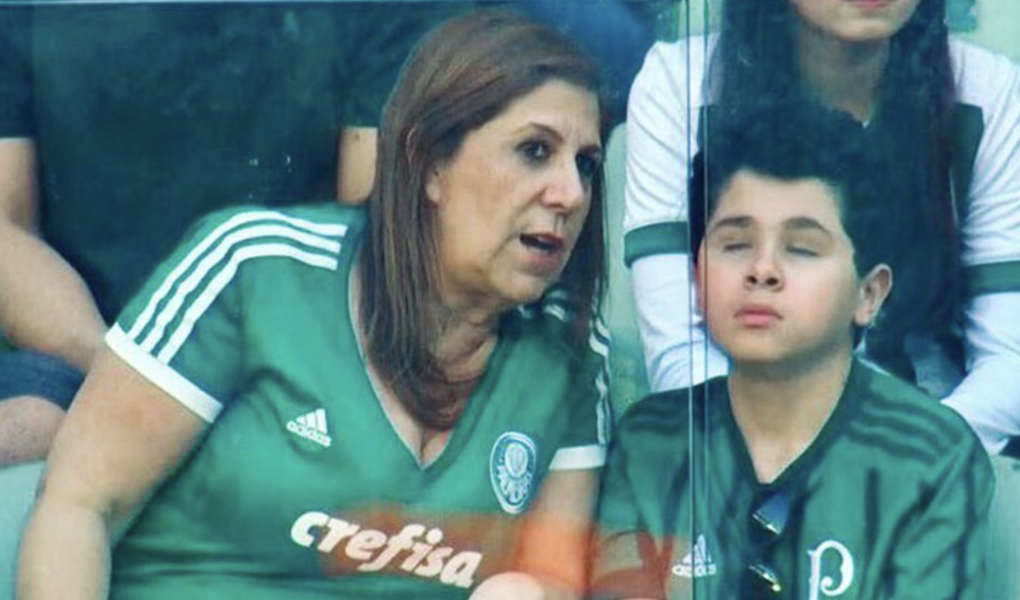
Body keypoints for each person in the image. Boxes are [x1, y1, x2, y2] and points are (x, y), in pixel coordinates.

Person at [18, 10, 611, 600]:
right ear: (428, 162)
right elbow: (79, 506)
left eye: (586, 164)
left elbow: (552, 579)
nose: (570, 193)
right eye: (535, 151)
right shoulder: (253, 270)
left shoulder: (569, 351)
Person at [0, 2, 446, 466]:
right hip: (88, 352)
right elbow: (5, 229)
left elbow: (378, 230)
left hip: (302, 358)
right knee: (25, 426)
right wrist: (137, 382)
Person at [591, 108, 993, 600]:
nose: (762, 270)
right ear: (697, 276)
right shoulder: (651, 440)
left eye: (802, 248)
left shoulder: (931, 455)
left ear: (869, 294)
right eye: (735, 244)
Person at [622, 0, 1020, 455]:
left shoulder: (985, 90)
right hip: (741, 458)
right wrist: (790, 463)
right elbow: (678, 354)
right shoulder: (680, 84)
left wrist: (904, 460)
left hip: (933, 449)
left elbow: (1009, 363)